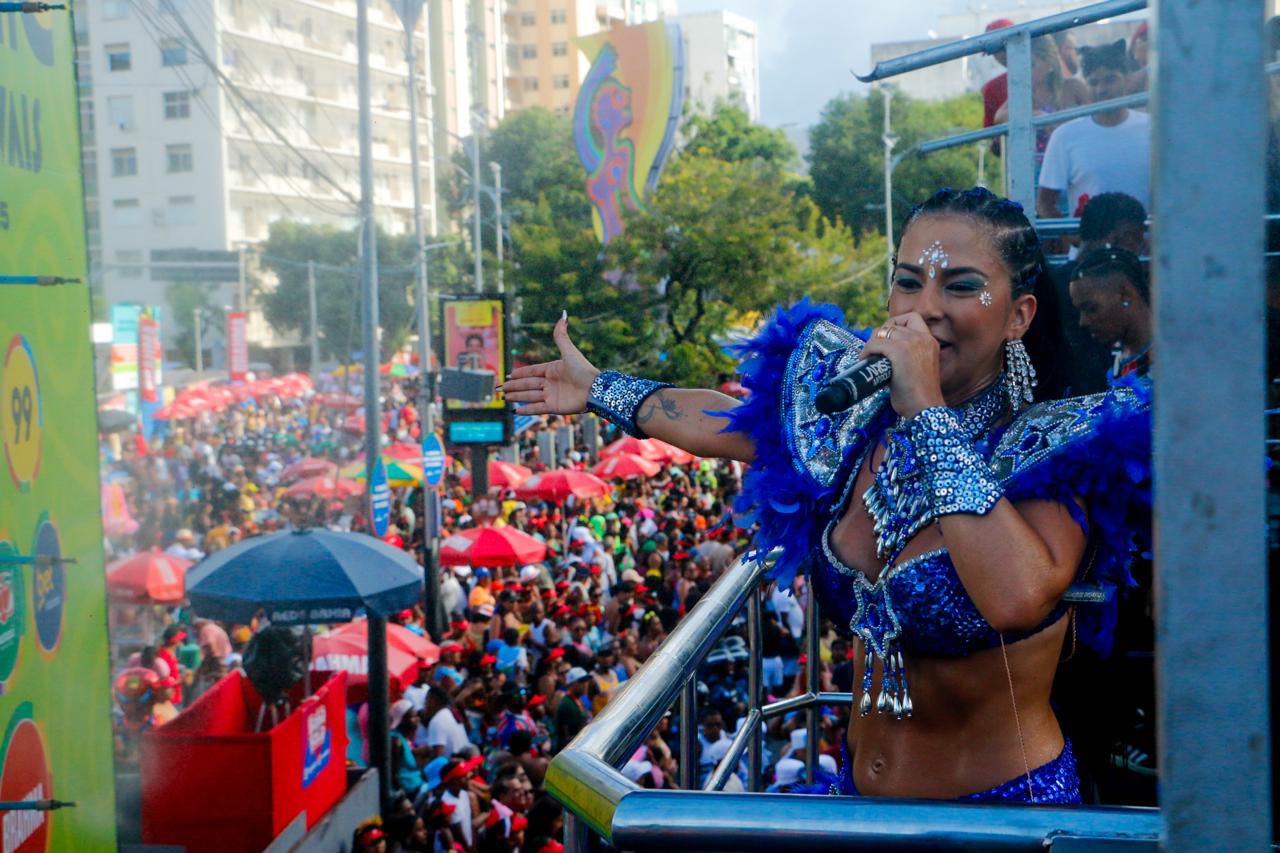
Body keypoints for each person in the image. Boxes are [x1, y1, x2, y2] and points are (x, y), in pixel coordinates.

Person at [503, 186, 1151, 803]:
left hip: (1001, 821)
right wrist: (599, 388)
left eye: (961, 286)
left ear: (1019, 314)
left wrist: (925, 408)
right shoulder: (855, 419)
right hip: (857, 809)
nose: (925, 308)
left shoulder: (1058, 450)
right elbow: (725, 418)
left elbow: (1015, 595)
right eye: (907, 281)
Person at [1037, 40, 1151, 220]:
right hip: (1090, 247)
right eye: (1093, 82)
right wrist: (1073, 239)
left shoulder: (1152, 129)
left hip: (1144, 246)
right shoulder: (1065, 136)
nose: (1102, 89)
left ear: (1127, 78)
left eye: (1110, 79)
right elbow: (1045, 203)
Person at [1068, 246, 1152, 381]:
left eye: (1091, 309)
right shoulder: (1111, 360)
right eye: (1080, 311)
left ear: (1125, 295)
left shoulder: (1175, 359)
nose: (1083, 322)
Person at [553, 667, 593, 753]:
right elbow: (570, 736)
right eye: (582, 681)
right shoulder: (567, 705)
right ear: (572, 684)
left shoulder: (578, 700)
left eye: (587, 680)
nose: (586, 684)